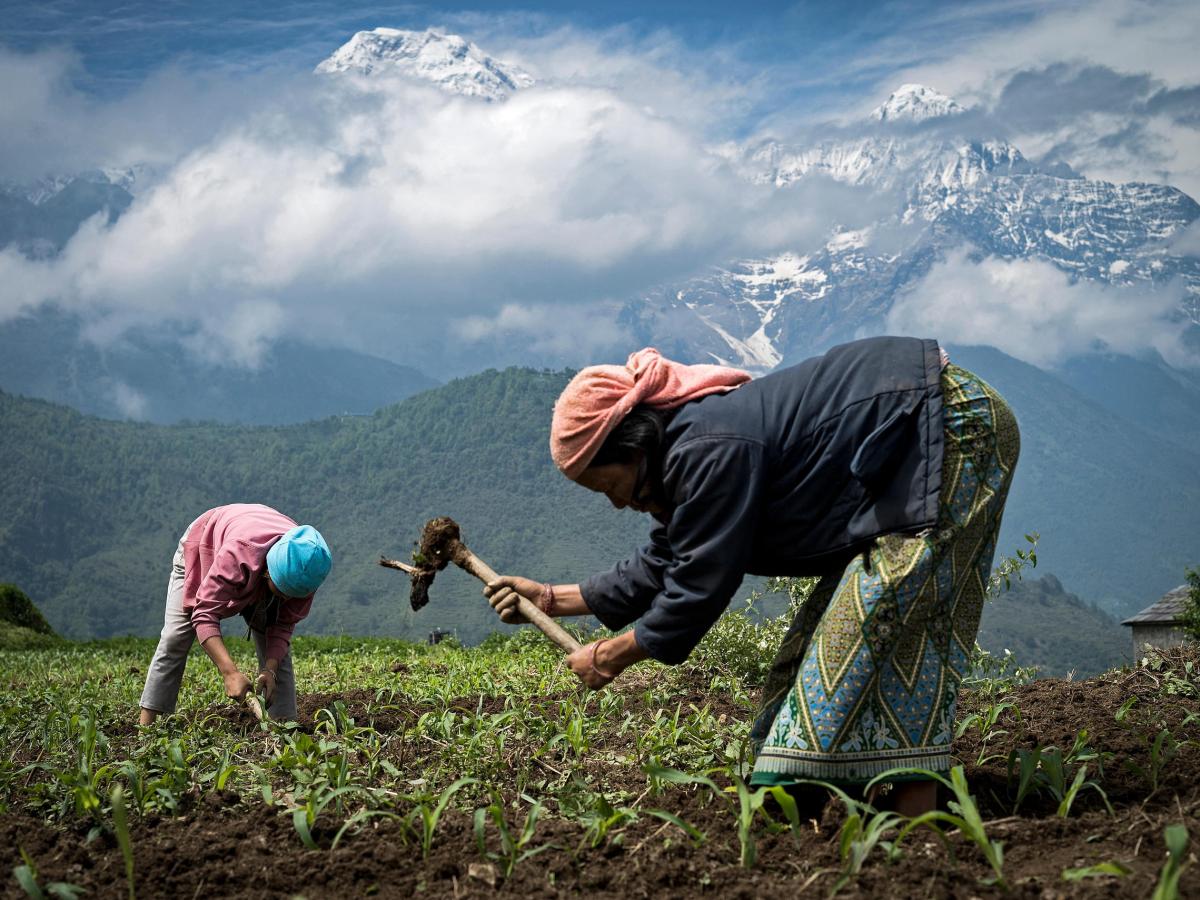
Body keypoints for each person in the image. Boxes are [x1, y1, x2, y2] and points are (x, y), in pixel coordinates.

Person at [484, 337, 1019, 816]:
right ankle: (836, 799)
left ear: (634, 446)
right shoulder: (685, 455)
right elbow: (666, 559)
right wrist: (551, 599)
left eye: (610, 486)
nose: (619, 503)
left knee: (884, 626)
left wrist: (609, 655)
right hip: (904, 450)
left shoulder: (707, 449)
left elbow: (699, 584)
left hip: (944, 425)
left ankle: (915, 819)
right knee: (826, 645)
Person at [138, 503, 332, 726]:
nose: (285, 600)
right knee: (176, 637)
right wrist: (230, 673)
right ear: (268, 572)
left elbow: (283, 627)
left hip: (255, 563)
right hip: (205, 546)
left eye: (291, 596)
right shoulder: (240, 553)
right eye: (281, 592)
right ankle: (147, 727)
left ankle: (285, 727)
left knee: (276, 650)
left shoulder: (309, 569)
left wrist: (270, 669)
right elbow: (203, 614)